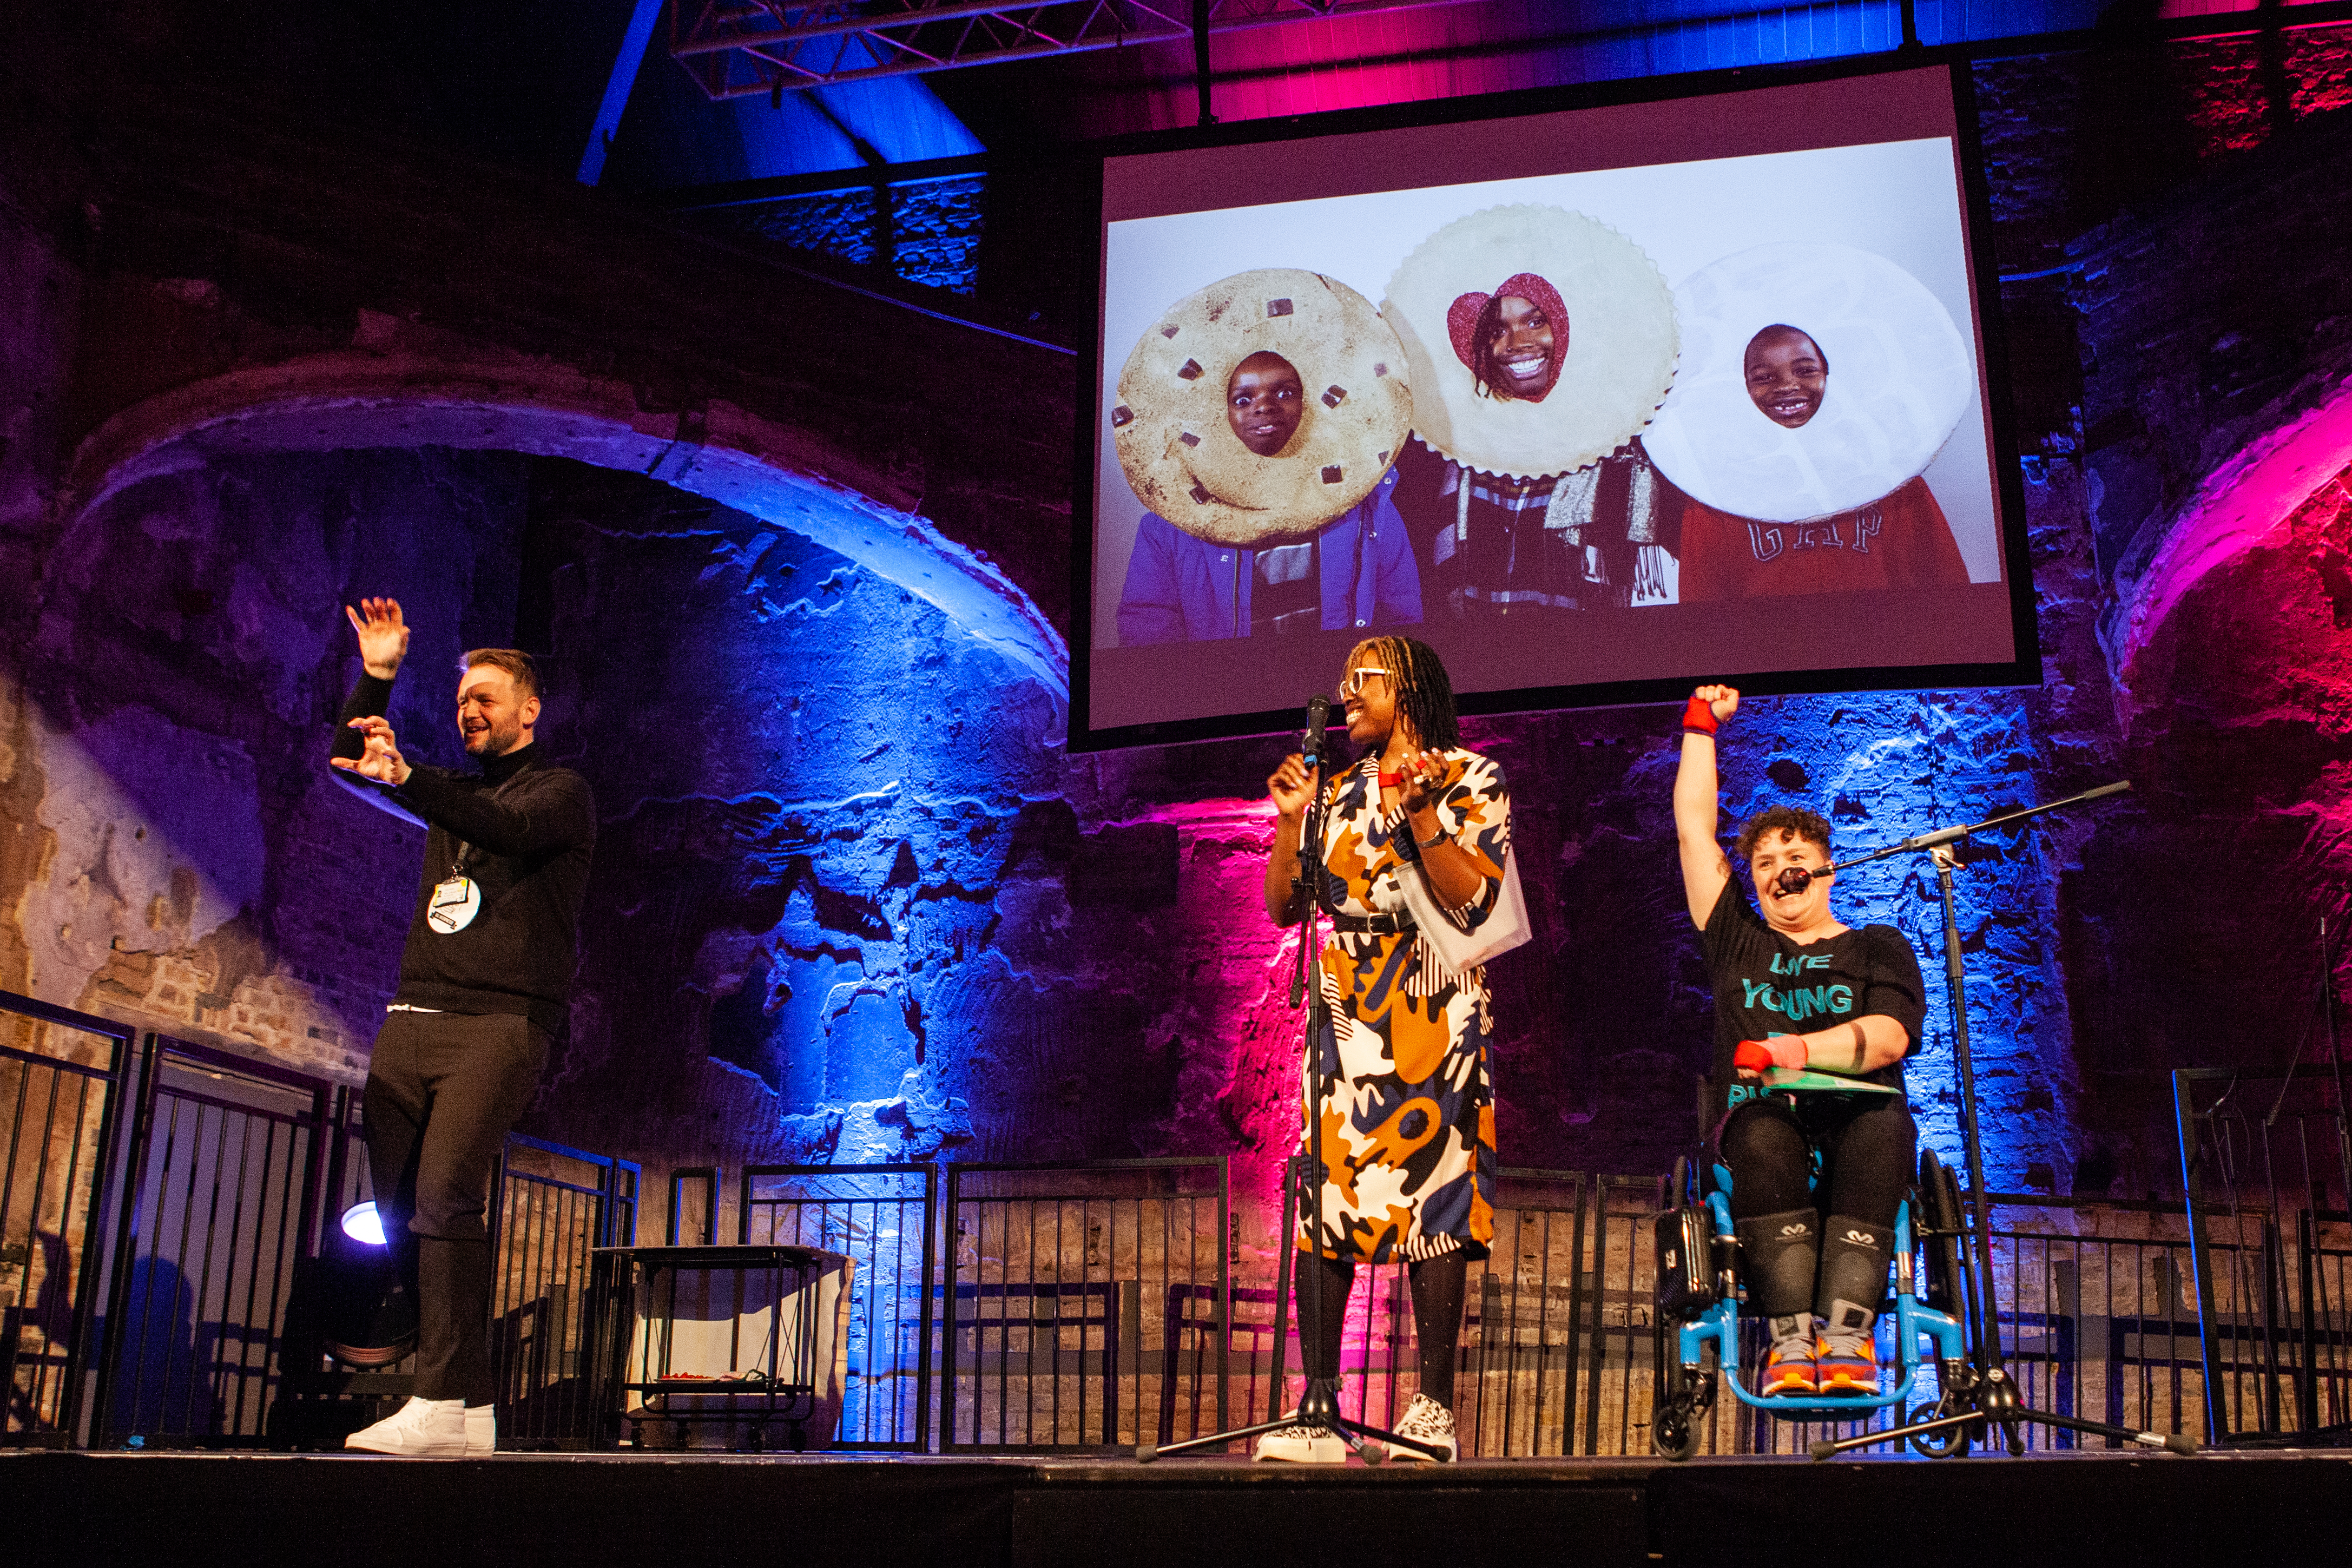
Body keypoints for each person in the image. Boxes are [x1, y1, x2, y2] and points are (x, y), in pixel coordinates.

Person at [330, 597, 596, 1455]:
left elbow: (505, 825)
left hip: (499, 1022)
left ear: (529, 709)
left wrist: (410, 777)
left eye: (486, 697)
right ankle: (470, 1409)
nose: (468, 711)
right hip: (412, 1017)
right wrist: (378, 675)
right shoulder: (451, 796)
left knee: (449, 1190)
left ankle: (436, 1395)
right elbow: (347, 762)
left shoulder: (561, 793)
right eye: (459, 701)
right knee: (405, 1208)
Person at [1254, 636, 1510, 1462]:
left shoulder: (1470, 776)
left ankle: (1429, 1407)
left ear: (1402, 689)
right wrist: (1291, 822)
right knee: (1324, 1184)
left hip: (1434, 987)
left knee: (1434, 1192)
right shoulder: (1330, 791)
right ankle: (1319, 1403)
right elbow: (1283, 906)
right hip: (1346, 996)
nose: (1342, 692)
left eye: (1359, 678)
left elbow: (1473, 894)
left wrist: (1424, 813)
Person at [1671, 683, 1925, 1395]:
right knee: (1756, 1134)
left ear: (1825, 866)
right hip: (1762, 1118)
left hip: (1857, 1111)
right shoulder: (1736, 940)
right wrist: (1699, 726)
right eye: (1763, 862)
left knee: (1882, 1128)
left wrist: (1796, 1052)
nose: (1781, 867)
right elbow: (1694, 831)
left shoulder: (1877, 945)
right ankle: (1788, 1339)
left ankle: (1846, 1334)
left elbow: (1886, 1036)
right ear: (1750, 884)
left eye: (1794, 853)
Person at [1117, 349, 1420, 642]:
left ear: (1309, 403)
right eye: (1243, 399)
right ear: (1221, 414)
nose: (1263, 407)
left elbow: (1402, 615)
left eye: (1285, 393)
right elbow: (1148, 631)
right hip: (1228, 690)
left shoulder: (1369, 510)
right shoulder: (1170, 527)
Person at [1675, 323, 1967, 602]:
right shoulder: (1717, 488)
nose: (1787, 386)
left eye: (1805, 370)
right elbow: (1701, 608)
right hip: (1766, 649)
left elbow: (1946, 584)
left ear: (1828, 375)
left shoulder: (1892, 473)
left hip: (1882, 642)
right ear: (1744, 388)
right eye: (1764, 377)